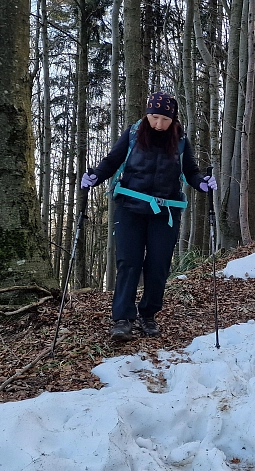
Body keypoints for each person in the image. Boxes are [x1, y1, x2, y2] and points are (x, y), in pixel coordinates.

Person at [81, 92, 217, 341]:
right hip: (130, 208)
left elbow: (190, 171)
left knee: (158, 266)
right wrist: (95, 176)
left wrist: (203, 183)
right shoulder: (134, 134)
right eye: (154, 117)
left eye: (165, 119)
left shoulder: (180, 140)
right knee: (128, 262)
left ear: (173, 120)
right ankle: (122, 318)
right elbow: (112, 161)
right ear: (147, 114)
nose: (158, 124)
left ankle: (148, 314)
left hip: (165, 212)